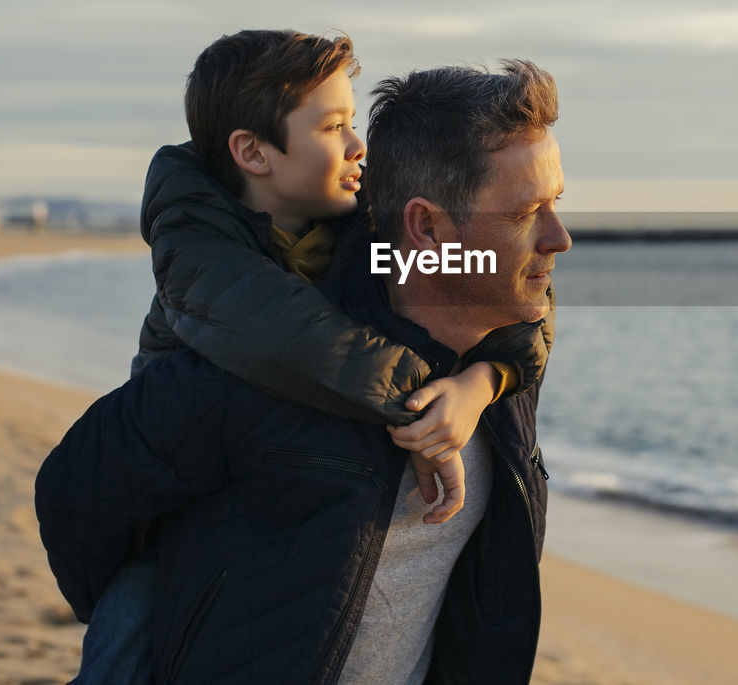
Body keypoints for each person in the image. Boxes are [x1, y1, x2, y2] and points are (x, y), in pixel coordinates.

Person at [36, 57, 569, 683]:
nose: (559, 237)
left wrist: (483, 383)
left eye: (556, 202)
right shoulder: (261, 365)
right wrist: (162, 620)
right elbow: (76, 495)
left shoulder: (502, 364)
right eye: (523, 213)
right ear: (425, 226)